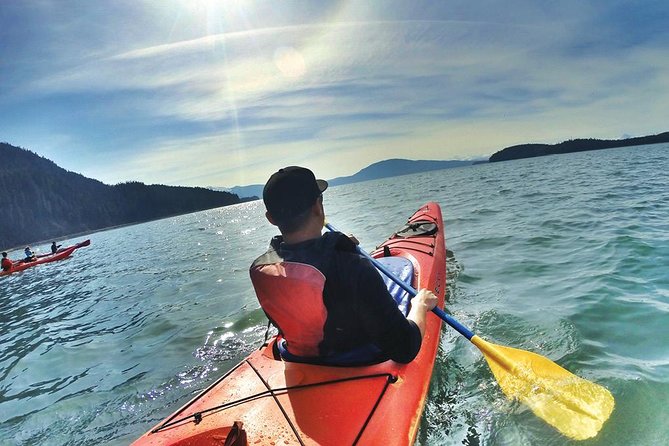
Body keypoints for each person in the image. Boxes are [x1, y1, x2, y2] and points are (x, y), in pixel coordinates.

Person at [249, 166, 438, 365]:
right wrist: (420, 305)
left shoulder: (260, 268)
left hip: (297, 356)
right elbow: (404, 349)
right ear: (317, 206)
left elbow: (303, 264)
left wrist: (335, 245)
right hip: (354, 360)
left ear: (270, 218)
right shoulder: (352, 267)